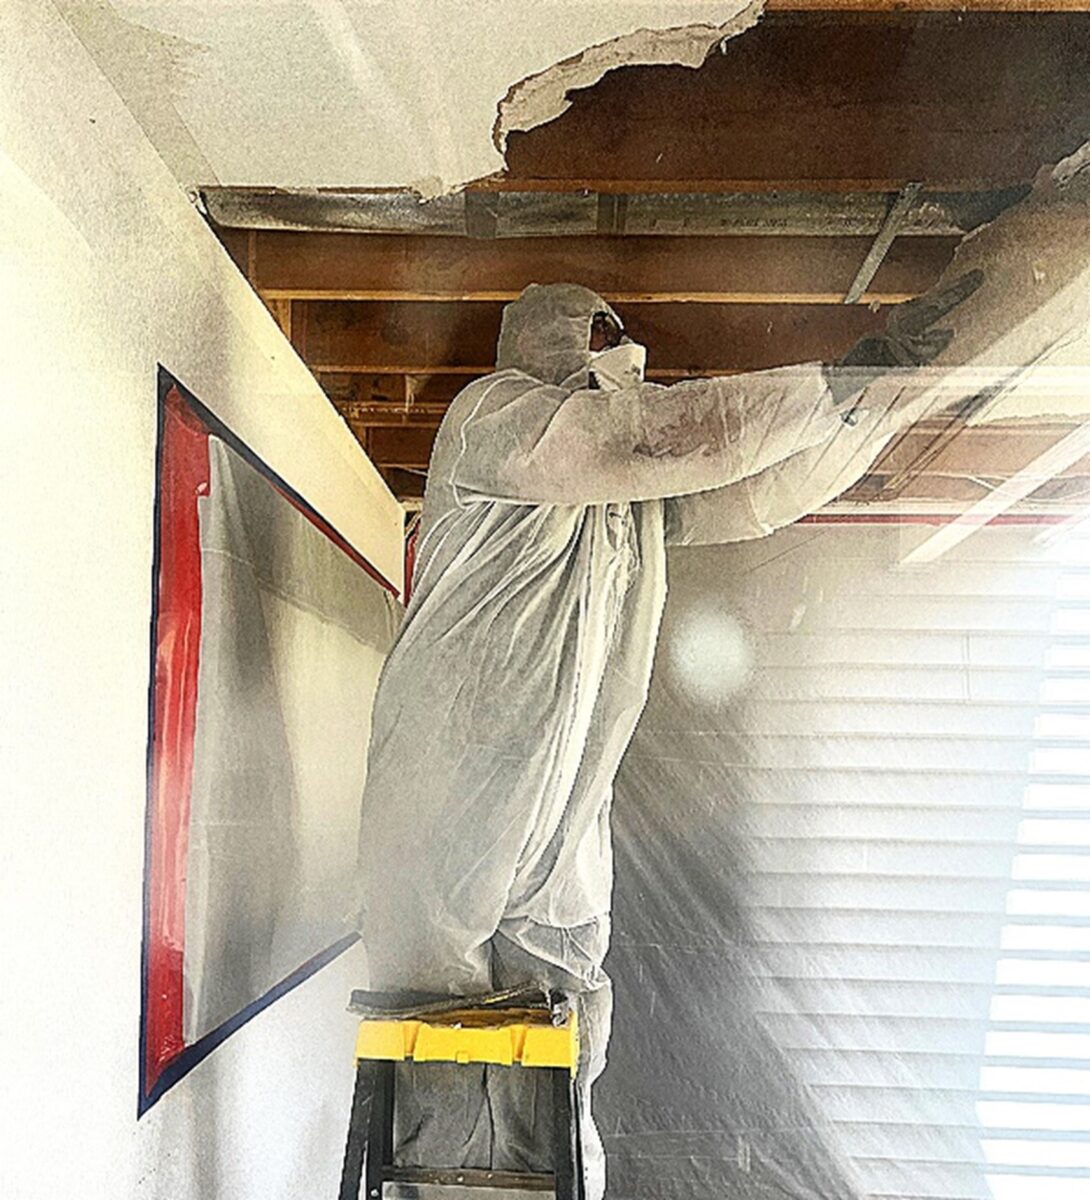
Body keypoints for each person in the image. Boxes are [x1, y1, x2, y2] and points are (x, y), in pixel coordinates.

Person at [354, 277, 979, 1196]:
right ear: (556, 344)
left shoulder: (622, 502)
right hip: (446, 792)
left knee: (564, 1039)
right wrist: (838, 382)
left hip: (559, 812)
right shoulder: (495, 421)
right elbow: (654, 440)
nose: (624, 357)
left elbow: (754, 494)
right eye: (605, 339)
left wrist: (873, 409)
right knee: (444, 1038)